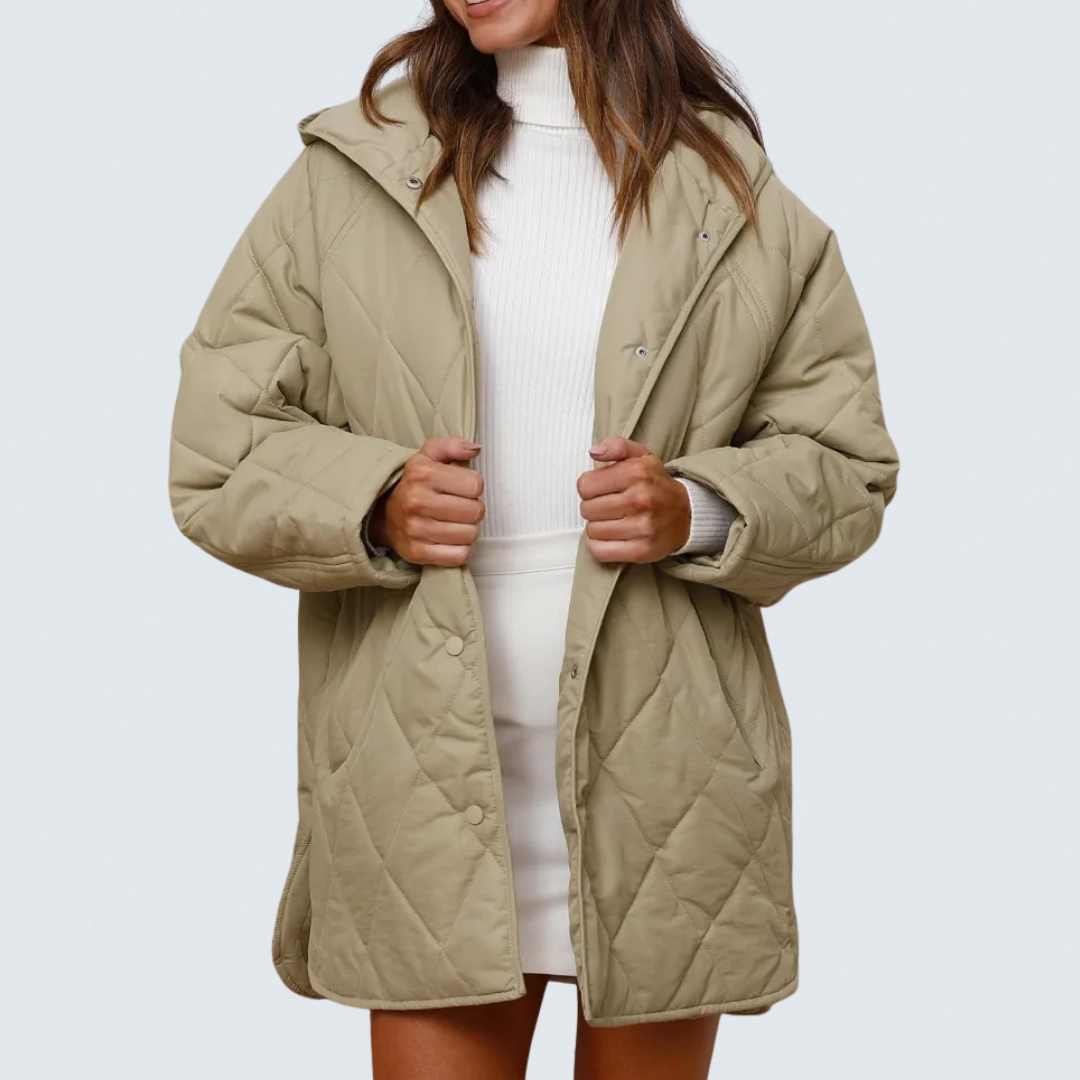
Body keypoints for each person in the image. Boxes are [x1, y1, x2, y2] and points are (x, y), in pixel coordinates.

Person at [168, 1, 900, 1077]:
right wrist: (375, 500)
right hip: (419, 755)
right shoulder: (351, 173)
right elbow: (219, 445)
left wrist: (695, 508)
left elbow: (845, 461)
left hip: (666, 760)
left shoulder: (737, 197)